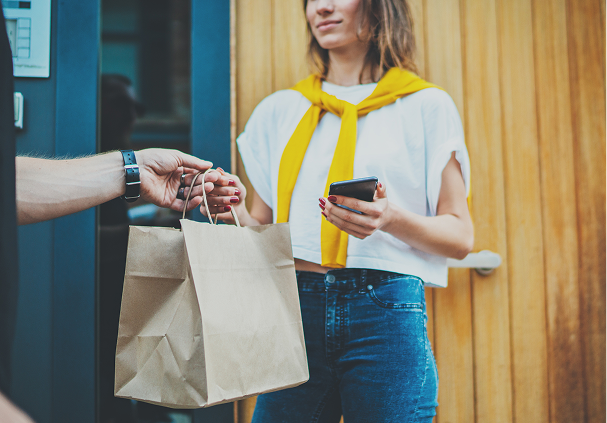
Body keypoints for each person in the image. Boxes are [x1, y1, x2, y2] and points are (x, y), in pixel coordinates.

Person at [205, 0, 473, 421]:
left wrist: (389, 219)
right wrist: (233, 211)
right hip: (296, 306)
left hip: (383, 310)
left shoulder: (426, 106)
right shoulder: (279, 110)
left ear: (379, 8)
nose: (322, 7)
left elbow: (460, 237)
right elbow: (264, 229)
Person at [0, 8, 225, 420]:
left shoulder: (117, 175)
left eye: (136, 105)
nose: (133, 114)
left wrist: (133, 172)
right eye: (122, 105)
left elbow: (8, 184)